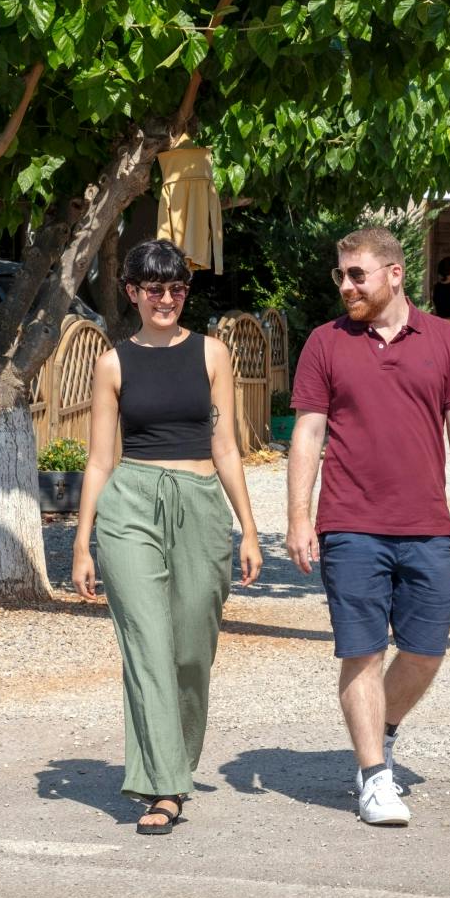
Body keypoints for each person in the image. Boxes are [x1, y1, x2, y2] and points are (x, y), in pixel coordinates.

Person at [286, 227, 450, 827]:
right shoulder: (325, 343)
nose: (346, 285)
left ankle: (383, 730)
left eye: (357, 275)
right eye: (340, 276)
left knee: (425, 654)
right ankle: (374, 775)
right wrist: (299, 516)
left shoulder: (446, 340)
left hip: (425, 524)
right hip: (349, 525)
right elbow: (308, 434)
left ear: (395, 274)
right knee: (362, 653)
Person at [71, 239, 264, 835]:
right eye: (153, 288)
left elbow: (227, 445)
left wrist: (249, 529)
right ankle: (164, 787)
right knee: (148, 646)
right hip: (130, 505)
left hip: (200, 503)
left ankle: (174, 761)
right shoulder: (113, 362)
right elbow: (101, 459)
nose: (166, 299)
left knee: (189, 652)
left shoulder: (213, 354)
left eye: (177, 287)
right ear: (131, 292)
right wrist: (82, 541)